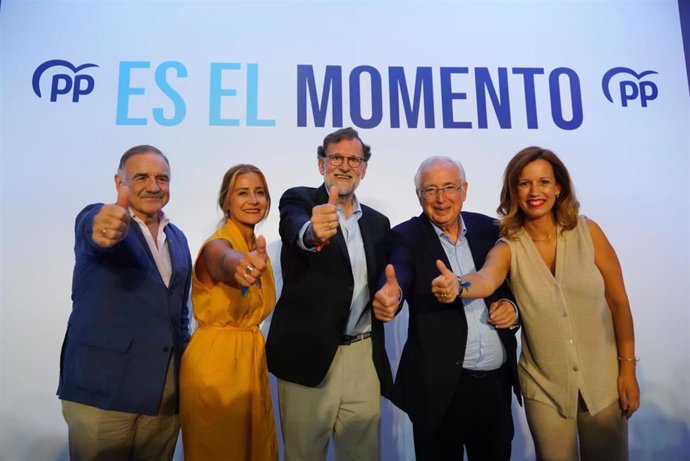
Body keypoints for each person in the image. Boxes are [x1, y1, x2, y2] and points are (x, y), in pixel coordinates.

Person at [456, 147, 640, 461]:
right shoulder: (508, 245)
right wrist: (459, 285)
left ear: (559, 188)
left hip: (603, 380)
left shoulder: (588, 232)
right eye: (524, 183)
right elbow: (486, 278)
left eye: (543, 182)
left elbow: (619, 302)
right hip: (544, 387)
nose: (534, 191)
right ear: (513, 190)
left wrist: (627, 371)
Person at [372, 156, 521, 461]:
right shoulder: (406, 236)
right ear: (419, 197)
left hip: (494, 389)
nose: (441, 199)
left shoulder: (491, 229)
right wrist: (392, 295)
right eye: (430, 190)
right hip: (437, 392)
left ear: (464, 190)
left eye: (449, 187)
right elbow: (398, 271)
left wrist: (511, 308)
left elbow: (511, 286)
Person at [57, 145, 192, 461]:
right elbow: (95, 228)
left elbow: (178, 314)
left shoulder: (179, 237)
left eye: (162, 177)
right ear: (120, 184)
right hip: (103, 392)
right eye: (141, 177)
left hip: (163, 397)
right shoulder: (104, 218)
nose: (154, 186)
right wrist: (101, 226)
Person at [265, 127, 393, 461]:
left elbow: (385, 283)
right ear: (321, 163)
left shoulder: (379, 224)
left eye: (354, 159)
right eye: (336, 157)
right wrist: (311, 232)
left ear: (364, 168)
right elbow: (295, 227)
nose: (345, 165)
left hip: (363, 358)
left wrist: (393, 297)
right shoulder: (300, 200)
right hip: (307, 356)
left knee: (363, 455)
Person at [180, 164, 277, 460]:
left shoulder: (257, 249)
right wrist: (239, 266)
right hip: (216, 366)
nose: (253, 200)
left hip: (250, 361)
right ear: (226, 201)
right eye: (242, 193)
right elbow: (224, 260)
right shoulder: (217, 245)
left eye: (259, 193)